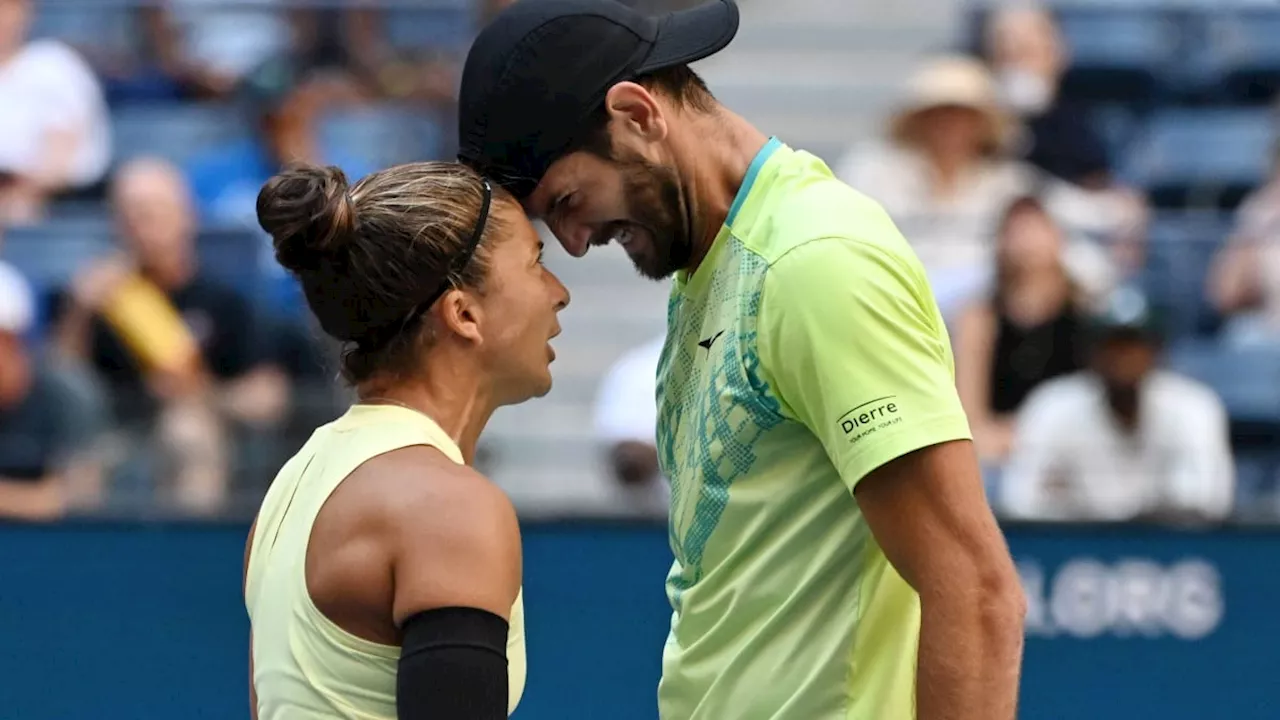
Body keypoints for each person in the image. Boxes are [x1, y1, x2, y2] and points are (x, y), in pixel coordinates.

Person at [458, 1, 1026, 718]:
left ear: (638, 114)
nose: (573, 243)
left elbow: (975, 592)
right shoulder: (715, 269)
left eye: (569, 200)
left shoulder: (814, 264)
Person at [244, 161, 570, 719]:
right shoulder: (447, 508)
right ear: (464, 313)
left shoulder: (292, 486)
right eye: (536, 262)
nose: (559, 293)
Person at [1001, 286, 1235, 524]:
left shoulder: (1192, 408)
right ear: (1091, 352)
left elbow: (1205, 502)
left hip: (1168, 554)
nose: (1124, 357)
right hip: (1075, 552)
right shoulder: (1052, 407)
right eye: (1112, 345)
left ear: (1157, 351)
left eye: (1135, 345)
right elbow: (1022, 502)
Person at [954, 196, 1087, 464]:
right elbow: (969, 418)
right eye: (1017, 232)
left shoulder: (1086, 313)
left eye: (1037, 230)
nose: (1027, 243)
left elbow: (1095, 410)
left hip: (1073, 448)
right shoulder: (978, 320)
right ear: (1000, 243)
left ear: (1058, 238)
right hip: (1000, 448)